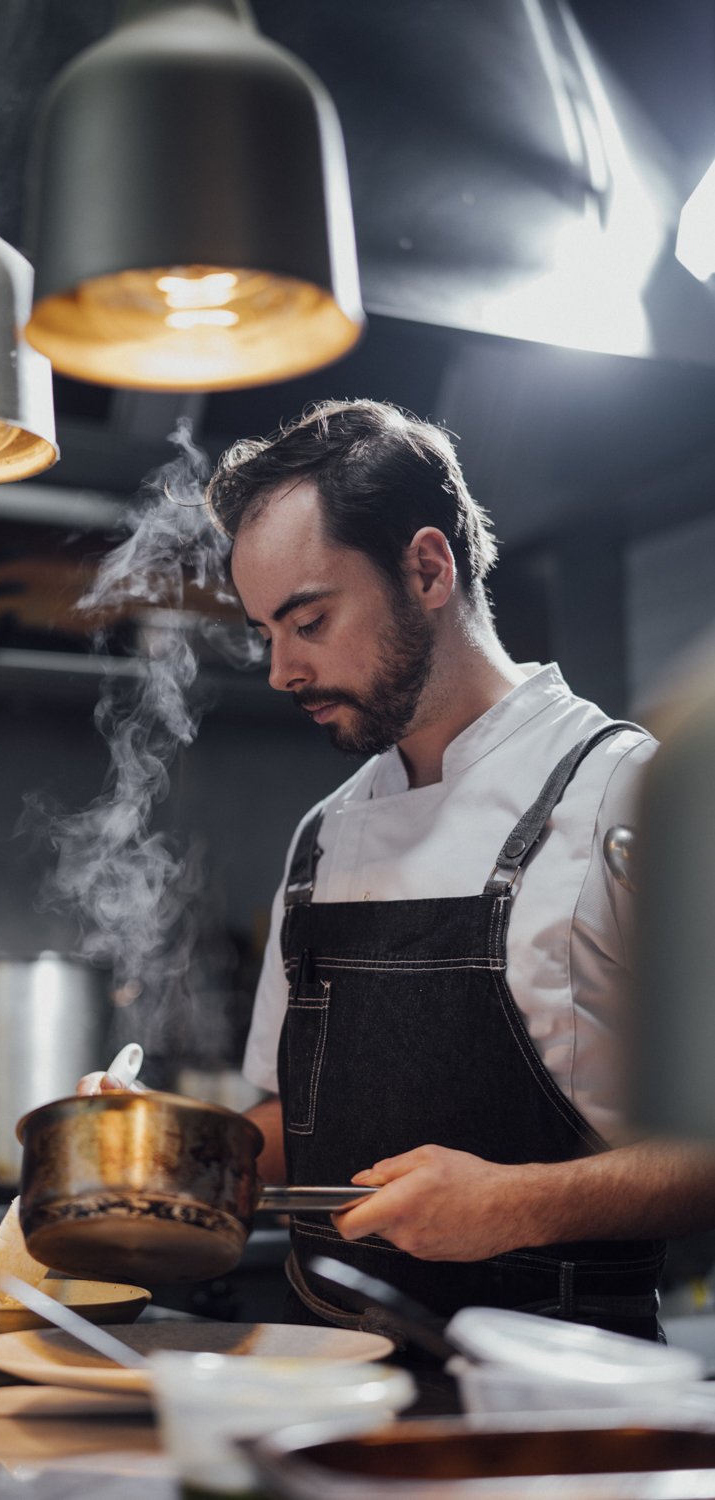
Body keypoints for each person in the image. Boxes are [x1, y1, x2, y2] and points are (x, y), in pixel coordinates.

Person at [202, 397, 715, 1341]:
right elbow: (295, 1116)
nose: (279, 670)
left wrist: (516, 1204)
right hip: (324, 1389)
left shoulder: (622, 794)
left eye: (307, 621)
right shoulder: (322, 835)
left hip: (554, 1414)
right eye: (265, 633)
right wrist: (187, 1150)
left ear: (427, 568)